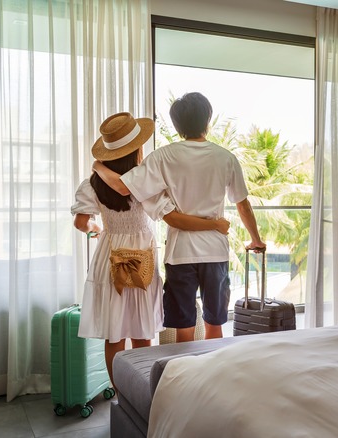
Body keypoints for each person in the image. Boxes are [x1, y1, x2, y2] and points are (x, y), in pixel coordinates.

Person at [72, 112, 229, 388]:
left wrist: (97, 229)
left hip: (110, 258)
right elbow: (164, 213)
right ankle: (142, 392)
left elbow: (81, 222)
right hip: (142, 257)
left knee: (114, 334)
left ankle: (121, 394)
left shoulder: (93, 183)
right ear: (136, 149)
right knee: (142, 332)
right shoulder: (145, 181)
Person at [93, 92, 266, 343]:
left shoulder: (164, 156)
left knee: (184, 327)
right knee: (214, 323)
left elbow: (122, 187)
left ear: (177, 125)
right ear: (208, 119)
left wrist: (97, 166)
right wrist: (256, 240)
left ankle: (186, 379)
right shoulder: (225, 157)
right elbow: (243, 204)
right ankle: (212, 378)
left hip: (180, 253)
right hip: (215, 252)